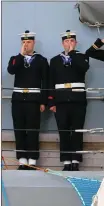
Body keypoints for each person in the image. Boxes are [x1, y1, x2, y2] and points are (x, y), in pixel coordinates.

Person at [7, 30, 49, 170]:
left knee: (32, 130)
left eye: (29, 42)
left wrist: (43, 101)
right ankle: (22, 160)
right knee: (19, 129)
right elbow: (11, 70)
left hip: (33, 100)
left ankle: (32, 160)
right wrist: (21, 55)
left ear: (34, 43)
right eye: (24, 42)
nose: (26, 45)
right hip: (18, 100)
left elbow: (46, 82)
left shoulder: (41, 60)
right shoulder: (15, 58)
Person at [48, 30, 90, 171]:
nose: (69, 43)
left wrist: (72, 54)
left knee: (77, 131)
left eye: (72, 41)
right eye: (66, 41)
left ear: (75, 43)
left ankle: (75, 160)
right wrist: (51, 102)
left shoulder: (82, 57)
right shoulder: (54, 60)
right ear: (62, 43)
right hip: (60, 101)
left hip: (77, 100)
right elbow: (50, 82)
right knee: (64, 131)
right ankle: (66, 161)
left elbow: (83, 68)